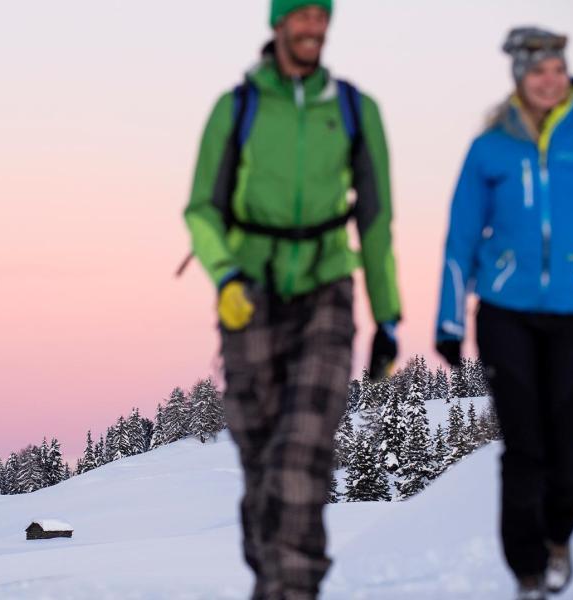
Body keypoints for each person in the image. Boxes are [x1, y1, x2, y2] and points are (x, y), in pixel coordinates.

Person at [183, 1, 402, 597]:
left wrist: (386, 316)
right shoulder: (238, 108)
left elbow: (376, 221)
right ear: (278, 24)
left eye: (321, 16)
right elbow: (202, 209)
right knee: (261, 464)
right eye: (300, 15)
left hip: (326, 290)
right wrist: (225, 276)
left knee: (301, 453)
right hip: (249, 294)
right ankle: (273, 582)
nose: (313, 27)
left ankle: (294, 589)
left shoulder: (357, 110)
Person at [434, 27, 573, 600]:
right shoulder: (490, 147)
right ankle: (528, 571)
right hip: (505, 312)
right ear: (519, 78)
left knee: (569, 449)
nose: (550, 80)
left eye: (557, 69)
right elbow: (460, 239)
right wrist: (449, 321)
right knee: (524, 448)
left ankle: (559, 537)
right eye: (538, 72)